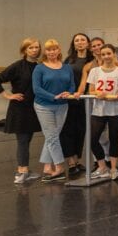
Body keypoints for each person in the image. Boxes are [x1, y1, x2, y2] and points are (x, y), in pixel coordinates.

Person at [0, 38, 43, 184]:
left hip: (33, 108)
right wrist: (8, 95)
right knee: (23, 141)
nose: (34, 50)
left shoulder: (39, 66)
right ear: (24, 50)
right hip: (19, 109)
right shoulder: (17, 66)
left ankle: (23, 169)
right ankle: (22, 172)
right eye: (31, 48)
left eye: (36, 47)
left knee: (27, 141)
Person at [31, 39, 75, 183]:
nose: (52, 52)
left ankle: (47, 167)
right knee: (52, 137)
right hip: (44, 106)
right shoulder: (39, 68)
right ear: (45, 52)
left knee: (52, 136)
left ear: (59, 50)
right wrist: (53, 96)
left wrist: (68, 93)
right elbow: (36, 89)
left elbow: (72, 85)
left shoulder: (67, 67)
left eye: (54, 49)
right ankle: (60, 166)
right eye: (49, 50)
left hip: (62, 105)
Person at [84, 44, 118, 181]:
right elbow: (91, 90)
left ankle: (114, 169)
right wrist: (98, 93)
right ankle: (102, 166)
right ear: (100, 56)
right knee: (93, 139)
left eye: (108, 53)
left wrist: (116, 95)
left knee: (114, 139)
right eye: (103, 54)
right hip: (99, 110)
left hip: (116, 110)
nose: (106, 56)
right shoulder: (95, 71)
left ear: (114, 54)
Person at [62, 33, 93, 174]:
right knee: (69, 130)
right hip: (71, 99)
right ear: (73, 44)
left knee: (81, 130)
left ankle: (77, 159)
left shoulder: (93, 60)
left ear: (88, 43)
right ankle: (71, 162)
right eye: (77, 40)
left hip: (86, 100)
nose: (80, 42)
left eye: (82, 40)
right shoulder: (68, 60)